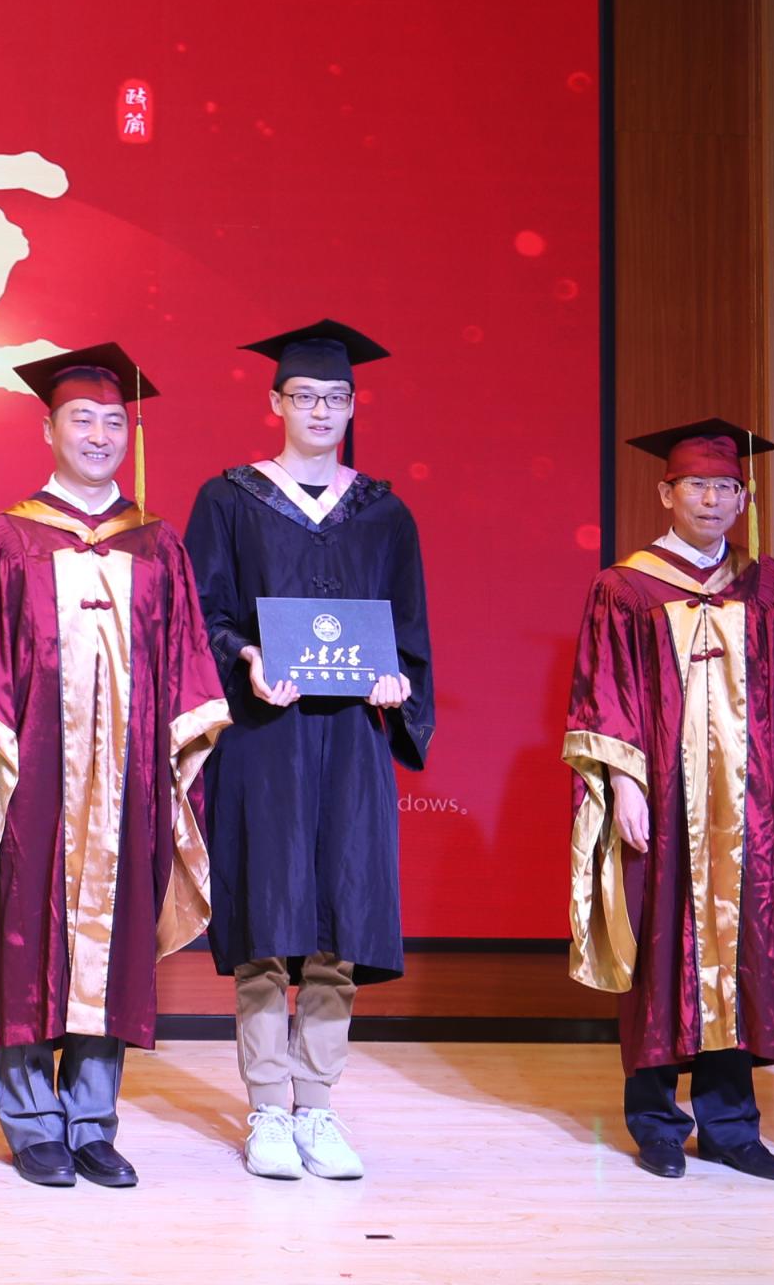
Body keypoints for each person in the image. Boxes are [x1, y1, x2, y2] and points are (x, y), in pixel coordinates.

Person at [0, 341, 225, 1190]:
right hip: (31, 780)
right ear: (47, 428)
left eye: (113, 422)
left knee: (116, 938)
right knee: (25, 937)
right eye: (82, 419)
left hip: (130, 780)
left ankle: (92, 1120)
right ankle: (32, 1121)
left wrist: (174, 777)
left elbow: (187, 667)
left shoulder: (158, 544)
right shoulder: (5, 538)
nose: (99, 436)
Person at [184, 321, 435, 1183]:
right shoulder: (230, 500)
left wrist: (399, 684)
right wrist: (246, 658)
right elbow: (203, 614)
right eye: (304, 397)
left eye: (335, 398)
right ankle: (266, 1107)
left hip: (350, 744)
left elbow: (409, 631)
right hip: (265, 738)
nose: (320, 410)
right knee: (266, 920)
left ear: (354, 406)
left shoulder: (385, 513)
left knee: (340, 923)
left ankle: (317, 1106)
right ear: (276, 402)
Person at [565, 421, 774, 1181]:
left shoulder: (767, 585)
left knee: (742, 953)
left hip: (747, 805)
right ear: (666, 493)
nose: (712, 499)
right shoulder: (625, 586)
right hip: (663, 803)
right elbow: (604, 692)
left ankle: (731, 1126)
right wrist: (624, 785)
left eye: (726, 487)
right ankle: (657, 1124)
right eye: (696, 485)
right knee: (660, 952)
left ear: (743, 498)